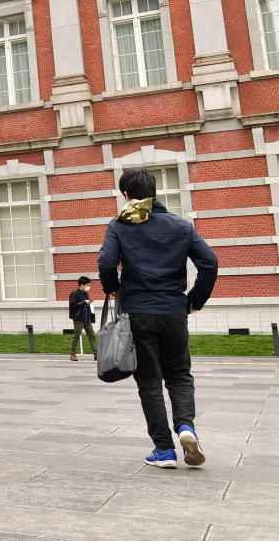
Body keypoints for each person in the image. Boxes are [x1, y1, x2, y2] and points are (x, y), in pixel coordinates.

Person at [98, 167, 218, 469]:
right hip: (174, 311)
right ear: (155, 192)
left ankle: (164, 449)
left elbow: (106, 262)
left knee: (149, 381)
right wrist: (194, 300)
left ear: (126, 195)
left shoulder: (119, 225)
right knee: (179, 374)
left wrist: (114, 288)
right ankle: (186, 428)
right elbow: (210, 262)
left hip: (138, 313)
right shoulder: (181, 226)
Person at [68, 277, 96, 361]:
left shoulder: (86, 293)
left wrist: (89, 304)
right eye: (87, 285)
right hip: (78, 319)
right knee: (76, 336)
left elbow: (86, 305)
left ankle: (96, 352)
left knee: (92, 335)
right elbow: (73, 305)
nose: (88, 287)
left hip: (87, 318)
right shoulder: (74, 293)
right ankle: (73, 354)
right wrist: (84, 302)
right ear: (81, 285)